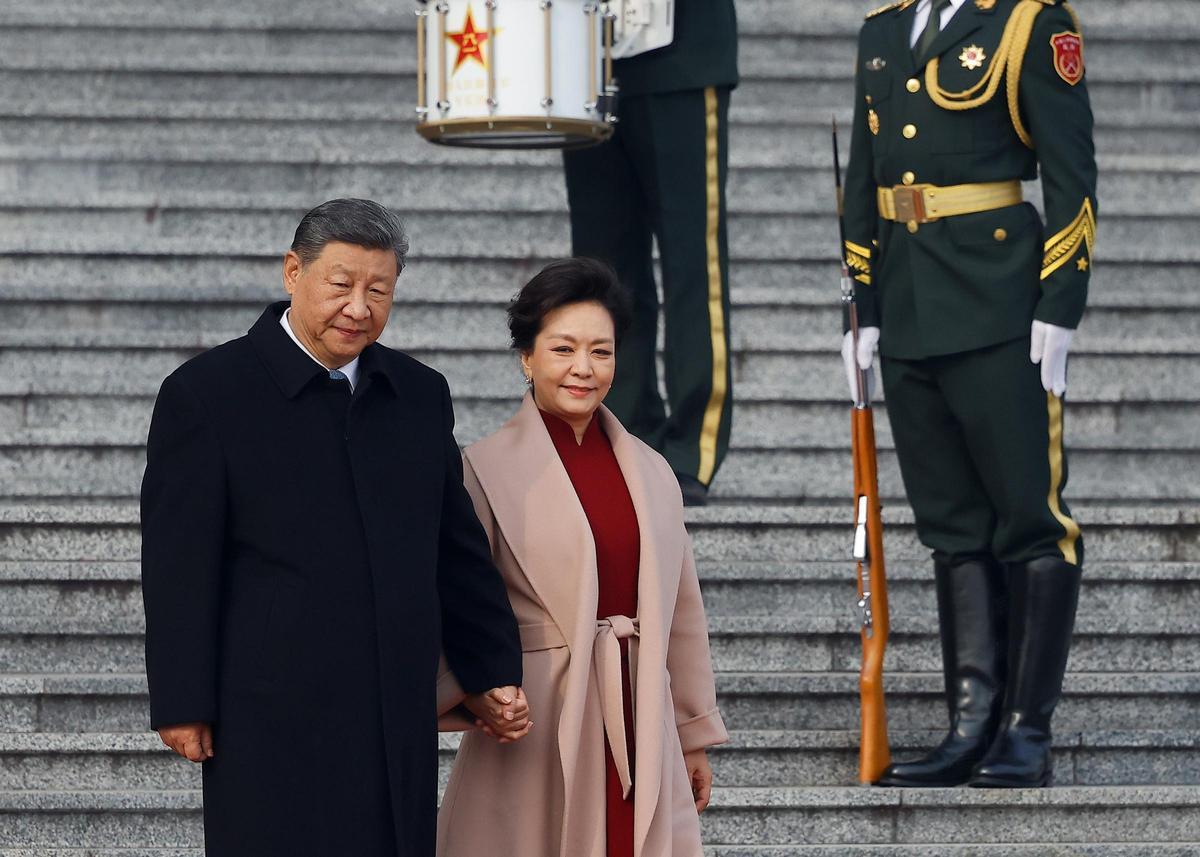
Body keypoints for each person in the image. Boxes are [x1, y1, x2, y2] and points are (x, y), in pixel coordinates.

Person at [140, 198, 530, 857]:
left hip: (392, 705)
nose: (359, 307)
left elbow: (455, 550)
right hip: (267, 708)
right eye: (341, 284)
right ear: (294, 272)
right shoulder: (207, 393)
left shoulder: (417, 393)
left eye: (379, 290)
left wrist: (491, 667)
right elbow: (180, 564)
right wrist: (182, 696)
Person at [839, 0, 1097, 788]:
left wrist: (1060, 303)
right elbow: (863, 174)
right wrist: (864, 304)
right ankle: (970, 722)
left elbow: (1071, 172)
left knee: (1029, 514)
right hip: (910, 303)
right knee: (952, 525)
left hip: (999, 302)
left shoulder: (1029, 23)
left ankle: (1026, 729)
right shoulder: (884, 31)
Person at [434, 258, 728, 857]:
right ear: (528, 357)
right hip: (538, 719)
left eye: (601, 351)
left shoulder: (652, 471)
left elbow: (683, 611)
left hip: (641, 710)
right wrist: (477, 690)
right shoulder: (482, 469)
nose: (584, 369)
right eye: (563, 349)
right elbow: (456, 597)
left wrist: (690, 735)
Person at [563, 0, 739, 506]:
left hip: (679, 54)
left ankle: (691, 445)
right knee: (602, 272)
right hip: (582, 59)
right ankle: (624, 427)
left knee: (692, 264)